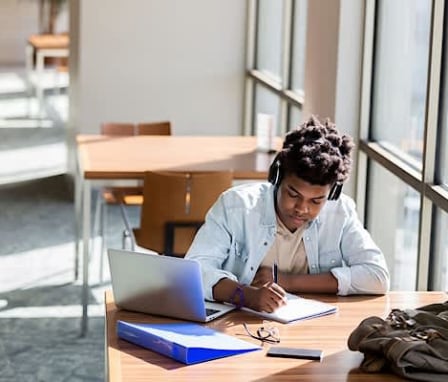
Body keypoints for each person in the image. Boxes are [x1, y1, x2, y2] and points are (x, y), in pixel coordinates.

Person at [185, 115, 390, 313]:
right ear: (277, 178)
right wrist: (247, 296)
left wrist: (288, 281)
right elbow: (195, 272)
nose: (302, 208)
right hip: (241, 325)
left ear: (332, 193)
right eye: (293, 194)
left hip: (311, 327)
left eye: (316, 201)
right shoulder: (236, 206)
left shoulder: (340, 212)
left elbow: (377, 276)